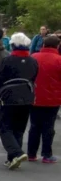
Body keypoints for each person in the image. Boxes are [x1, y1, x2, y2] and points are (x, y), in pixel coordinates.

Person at [0, 32, 38, 169]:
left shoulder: (7, 60)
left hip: (9, 96)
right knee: (19, 128)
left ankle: (16, 153)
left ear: (13, 45)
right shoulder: (32, 61)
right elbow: (34, 77)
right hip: (27, 96)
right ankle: (13, 158)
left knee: (5, 128)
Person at [29, 34, 61, 163]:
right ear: (57, 45)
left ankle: (31, 153)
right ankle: (46, 154)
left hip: (34, 96)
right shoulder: (59, 60)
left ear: (43, 44)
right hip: (53, 98)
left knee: (34, 125)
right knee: (49, 126)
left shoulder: (33, 57)